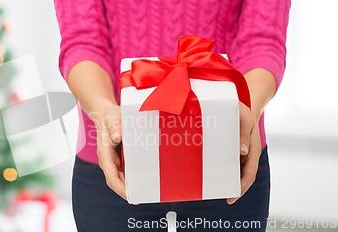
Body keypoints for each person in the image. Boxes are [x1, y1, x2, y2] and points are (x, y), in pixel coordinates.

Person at [54, 0, 290, 231]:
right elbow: (82, 40)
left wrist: (248, 107)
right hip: (116, 157)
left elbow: (263, 39)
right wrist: (103, 108)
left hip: (229, 151)